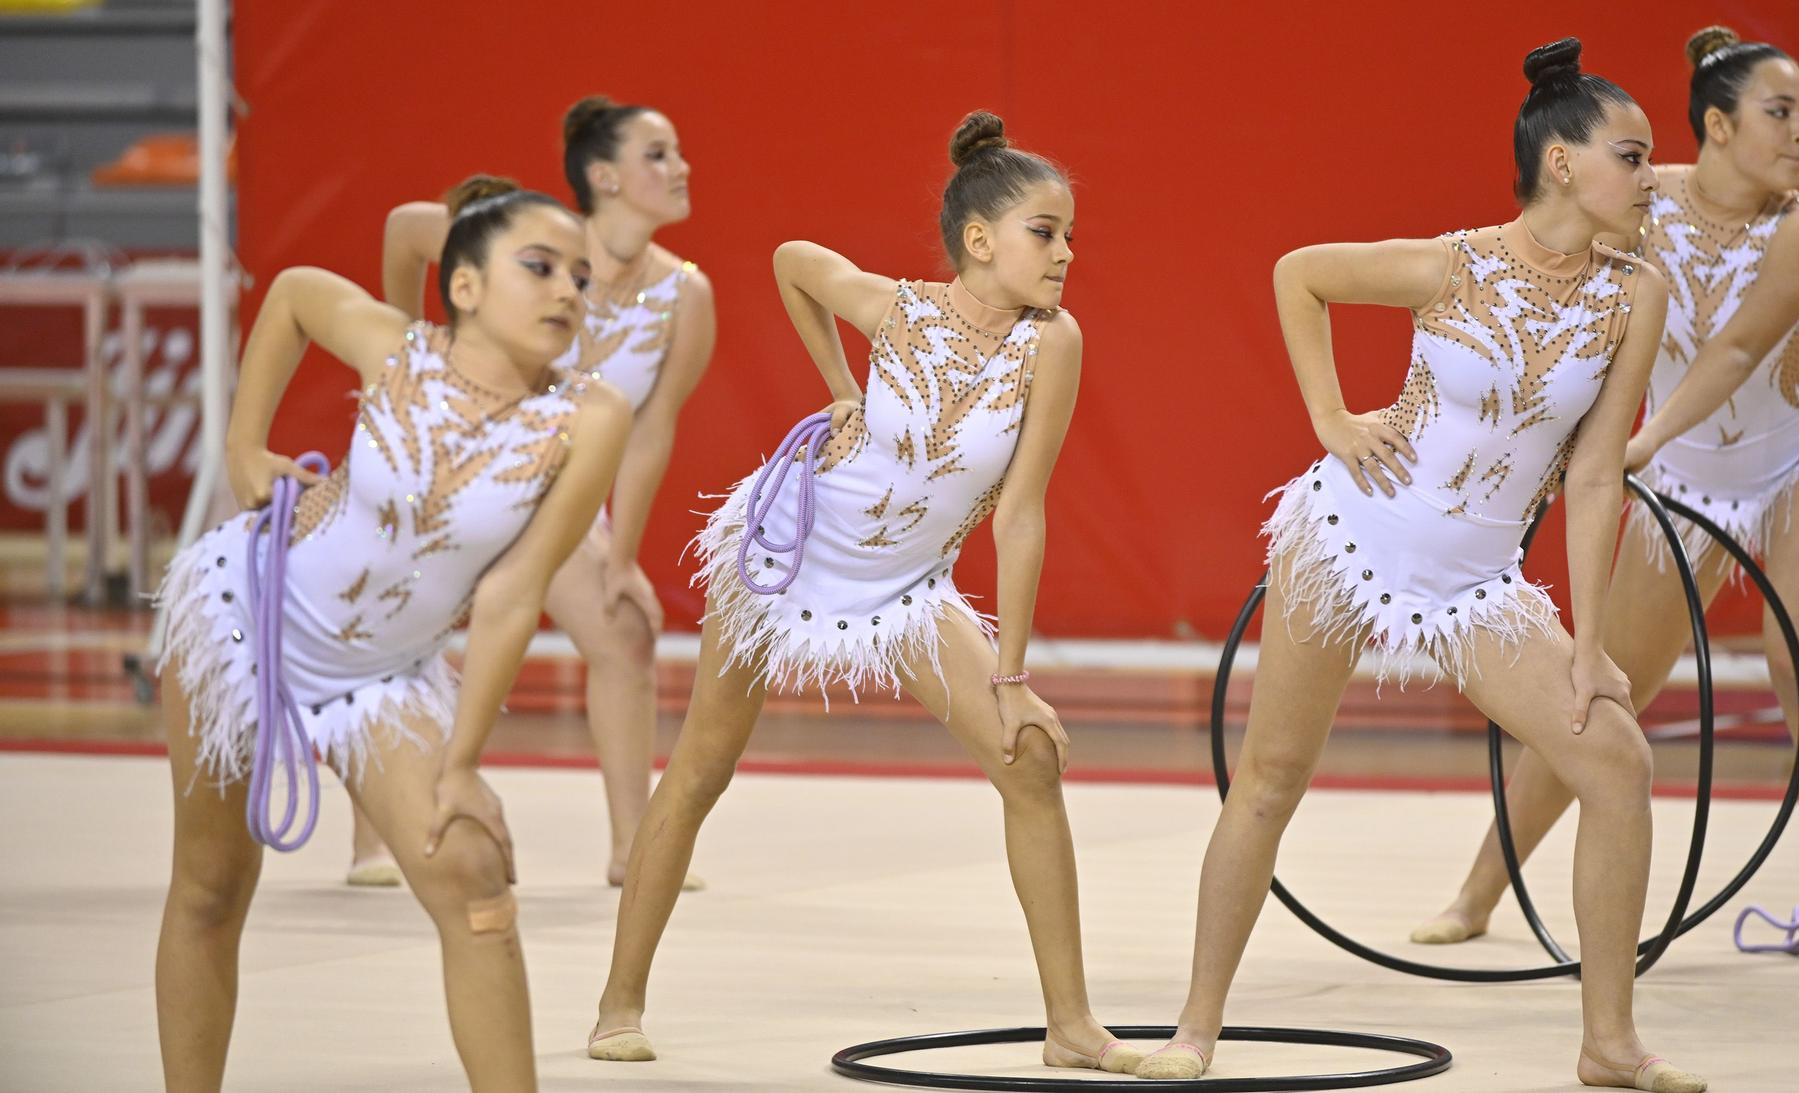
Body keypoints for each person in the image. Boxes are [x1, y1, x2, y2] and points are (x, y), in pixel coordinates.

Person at [1136, 41, 1705, 1092]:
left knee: (1616, 760)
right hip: (1352, 538)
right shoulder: (1454, 263)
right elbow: (1297, 274)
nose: (1650, 180)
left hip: (1477, 581)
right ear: (1562, 164)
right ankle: (1193, 1029)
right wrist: (1328, 416)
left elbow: (1590, 479)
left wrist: (1587, 647)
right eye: (1632, 158)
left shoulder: (1635, 295)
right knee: (1267, 781)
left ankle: (1607, 1044)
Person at [585, 111, 1136, 1076]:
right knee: (703, 764)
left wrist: (1011, 675)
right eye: (1046, 233)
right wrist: (843, 384)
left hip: (907, 588)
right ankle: (618, 1000)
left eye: (1069, 235)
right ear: (980, 240)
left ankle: (1071, 1026)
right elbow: (795, 260)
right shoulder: (900, 309)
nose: (1066, 253)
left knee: (1032, 758)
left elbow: (1021, 515)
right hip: (792, 553)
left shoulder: (1054, 345)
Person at [1413, 25, 1799, 968]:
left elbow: (1738, 348)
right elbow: (1552, 281)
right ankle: (1478, 892)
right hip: (1681, 470)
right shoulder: (1641, 195)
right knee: (1599, 684)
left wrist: (1635, 442)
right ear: (1717, 125)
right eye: (1779, 112)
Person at [153, 177, 631, 1092]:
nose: (568, 290)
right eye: (539, 267)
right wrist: (242, 449)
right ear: (464, 287)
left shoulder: (587, 419)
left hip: (380, 673)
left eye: (580, 274)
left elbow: (510, 595)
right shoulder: (398, 350)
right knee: (212, 887)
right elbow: (292, 291)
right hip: (243, 616)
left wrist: (461, 763)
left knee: (475, 875)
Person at [346, 96, 714, 890]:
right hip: (454, 459)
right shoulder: (531, 245)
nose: (682, 167)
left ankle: (632, 847)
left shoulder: (687, 295)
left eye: (678, 152)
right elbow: (407, 230)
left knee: (623, 633)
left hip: (552, 489)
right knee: (396, 623)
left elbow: (649, 433)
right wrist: (410, 358)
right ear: (604, 175)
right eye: (660, 154)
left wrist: (621, 558)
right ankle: (370, 836)